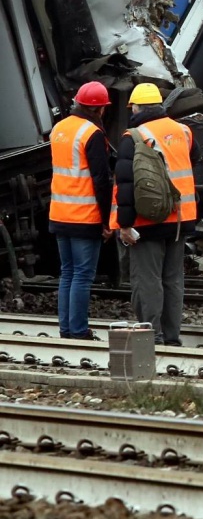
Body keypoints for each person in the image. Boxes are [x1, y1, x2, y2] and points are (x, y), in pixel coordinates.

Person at [112, 82, 198, 345]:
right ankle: (172, 337)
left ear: (137, 107)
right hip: (182, 218)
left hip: (147, 220)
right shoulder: (184, 131)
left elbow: (125, 187)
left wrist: (124, 225)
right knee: (173, 280)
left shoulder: (135, 137)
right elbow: (193, 163)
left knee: (147, 280)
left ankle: (152, 337)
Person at [49, 81, 113, 339]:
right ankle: (78, 330)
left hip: (59, 213)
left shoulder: (59, 129)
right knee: (83, 275)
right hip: (84, 216)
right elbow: (101, 179)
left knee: (68, 273)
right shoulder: (92, 133)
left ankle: (66, 329)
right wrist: (108, 220)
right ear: (99, 109)